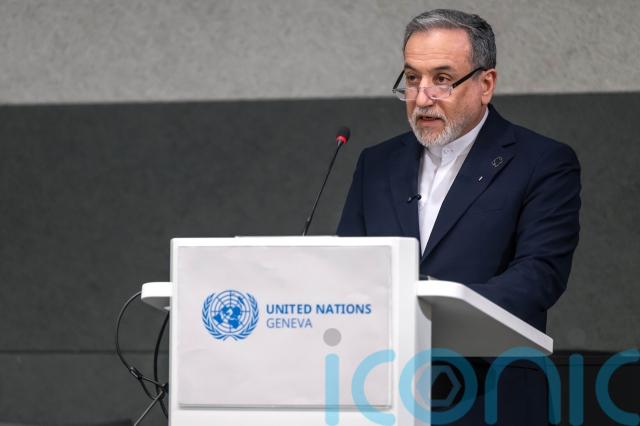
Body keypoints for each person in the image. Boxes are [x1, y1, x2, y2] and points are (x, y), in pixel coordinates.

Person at [337, 9, 581, 425]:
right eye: (412, 78)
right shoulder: (376, 163)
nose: (422, 97)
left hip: (489, 395)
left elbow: (539, 276)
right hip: (380, 391)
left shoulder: (542, 162)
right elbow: (348, 268)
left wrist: (433, 303)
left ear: (486, 84)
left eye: (442, 79)